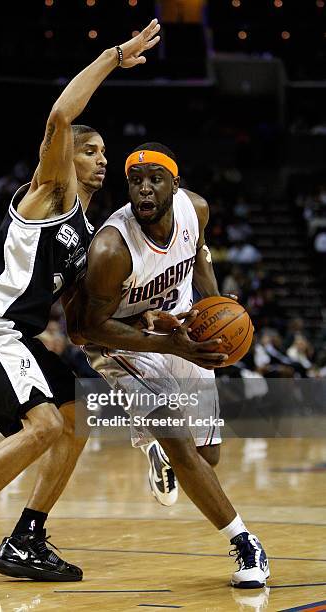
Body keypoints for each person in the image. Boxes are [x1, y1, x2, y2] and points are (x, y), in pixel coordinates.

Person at [0, 20, 161, 589]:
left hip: (13, 334)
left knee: (76, 420)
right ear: (65, 158)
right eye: (91, 151)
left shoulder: (88, 230)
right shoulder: (51, 192)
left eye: (105, 153)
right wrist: (113, 57)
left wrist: (150, 323)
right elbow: (59, 117)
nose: (102, 160)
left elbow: (84, 314)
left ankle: (27, 537)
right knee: (45, 426)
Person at [69, 142, 270, 588]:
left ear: (174, 185)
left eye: (154, 180)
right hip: (123, 343)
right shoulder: (111, 247)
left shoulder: (195, 211)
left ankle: (158, 447)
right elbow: (87, 329)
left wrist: (213, 308)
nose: (144, 189)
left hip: (181, 327)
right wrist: (170, 346)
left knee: (206, 457)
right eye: (136, 181)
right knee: (179, 442)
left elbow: (198, 260)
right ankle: (245, 544)